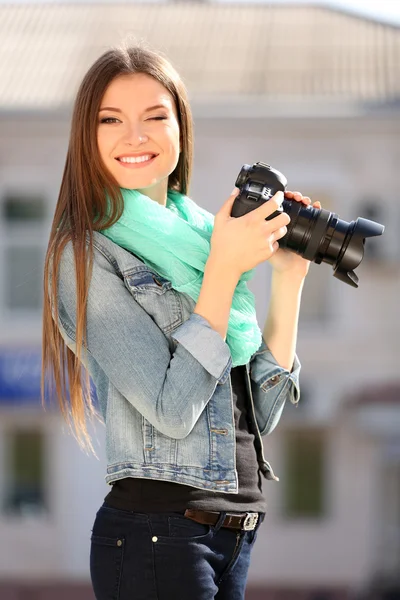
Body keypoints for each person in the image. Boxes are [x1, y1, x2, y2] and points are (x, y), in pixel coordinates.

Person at [41, 43, 321, 600]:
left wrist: (288, 278)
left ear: (180, 128)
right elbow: (172, 411)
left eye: (154, 117)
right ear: (85, 137)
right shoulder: (87, 254)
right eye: (111, 119)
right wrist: (224, 264)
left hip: (234, 532)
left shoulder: (202, 238)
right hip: (156, 535)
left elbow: (257, 420)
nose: (135, 136)